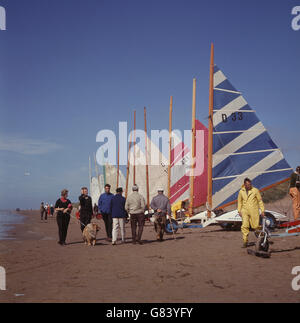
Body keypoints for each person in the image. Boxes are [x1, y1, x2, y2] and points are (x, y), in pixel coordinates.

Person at [238, 178, 265, 248]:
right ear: (244, 185)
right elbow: (239, 202)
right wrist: (239, 210)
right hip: (244, 210)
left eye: (250, 184)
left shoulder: (255, 190)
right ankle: (245, 241)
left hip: (254, 211)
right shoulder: (241, 191)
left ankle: (262, 237)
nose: (249, 186)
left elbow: (260, 201)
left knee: (255, 226)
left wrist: (262, 211)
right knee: (244, 226)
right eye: (247, 184)